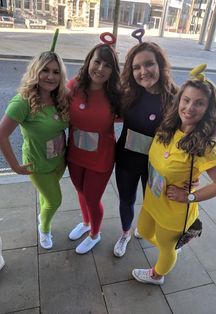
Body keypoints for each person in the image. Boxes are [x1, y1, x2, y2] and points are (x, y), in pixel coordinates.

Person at [132, 65, 216, 285]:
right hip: (153, 198)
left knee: (167, 249)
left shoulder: (203, 145)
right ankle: (173, 248)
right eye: (186, 100)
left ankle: (157, 275)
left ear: (208, 108)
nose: (189, 108)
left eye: (199, 103)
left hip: (174, 212)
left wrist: (190, 196)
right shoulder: (168, 127)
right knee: (146, 232)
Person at [113, 40, 178, 257]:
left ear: (160, 64)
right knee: (126, 199)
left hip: (156, 166)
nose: (143, 71)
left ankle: (144, 227)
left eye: (149, 64)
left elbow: (190, 136)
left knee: (152, 202)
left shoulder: (176, 98)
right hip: (126, 161)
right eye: (136, 67)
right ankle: (125, 233)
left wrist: (193, 174)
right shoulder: (128, 93)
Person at [0, 51, 69, 250]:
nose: (50, 76)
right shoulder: (22, 102)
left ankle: (43, 212)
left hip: (59, 161)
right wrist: (14, 166)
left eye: (56, 72)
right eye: (45, 70)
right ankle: (44, 228)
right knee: (55, 201)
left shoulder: (60, 97)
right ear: (35, 71)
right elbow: (1, 134)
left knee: (47, 196)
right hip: (37, 165)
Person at [67, 35, 121, 254]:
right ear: (89, 61)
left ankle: (95, 234)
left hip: (101, 157)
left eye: (107, 65)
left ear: (112, 71)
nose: (100, 68)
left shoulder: (116, 95)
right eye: (97, 61)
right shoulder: (74, 86)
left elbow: (130, 114)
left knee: (92, 196)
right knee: (80, 190)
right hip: (75, 154)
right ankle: (86, 222)